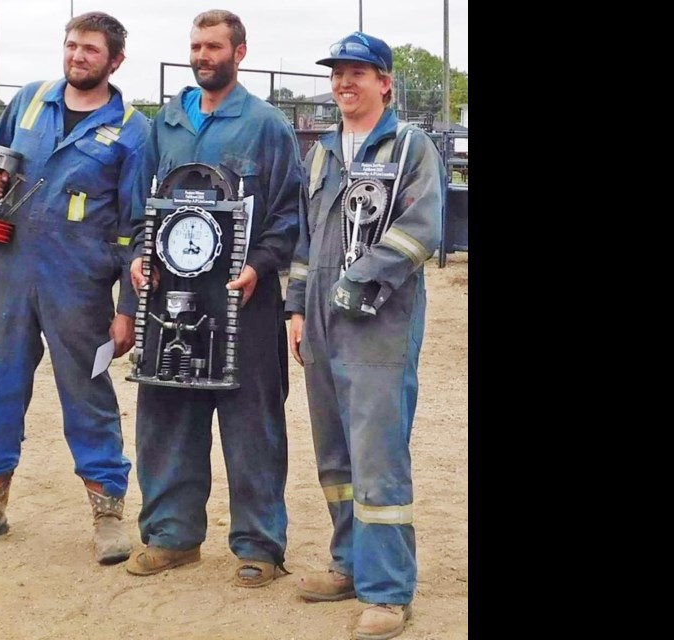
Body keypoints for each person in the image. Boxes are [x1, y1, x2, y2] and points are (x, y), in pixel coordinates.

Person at [0, 12, 151, 566]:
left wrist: (127, 310)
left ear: (115, 61)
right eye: (72, 45)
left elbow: (137, 230)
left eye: (91, 50)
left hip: (79, 285)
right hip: (9, 273)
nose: (77, 56)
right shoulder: (30, 99)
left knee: (90, 393)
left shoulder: (132, 130)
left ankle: (106, 514)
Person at [124, 9, 303, 588]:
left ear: (239, 53)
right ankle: (172, 536)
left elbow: (287, 214)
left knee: (252, 423)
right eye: (195, 46)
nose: (202, 56)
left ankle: (259, 546)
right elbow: (141, 205)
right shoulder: (166, 124)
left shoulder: (266, 125)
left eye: (214, 47)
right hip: (170, 298)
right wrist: (138, 255)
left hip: (243, 302)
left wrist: (258, 267)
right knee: (166, 414)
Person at [285, 31, 445, 639]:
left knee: (377, 455)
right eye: (337, 73)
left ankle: (387, 592)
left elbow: (421, 227)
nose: (344, 82)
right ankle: (348, 564)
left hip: (380, 320)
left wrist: (365, 276)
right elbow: (304, 239)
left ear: (385, 83)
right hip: (322, 320)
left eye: (358, 72)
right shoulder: (323, 153)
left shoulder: (410, 147)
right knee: (336, 455)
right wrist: (296, 308)